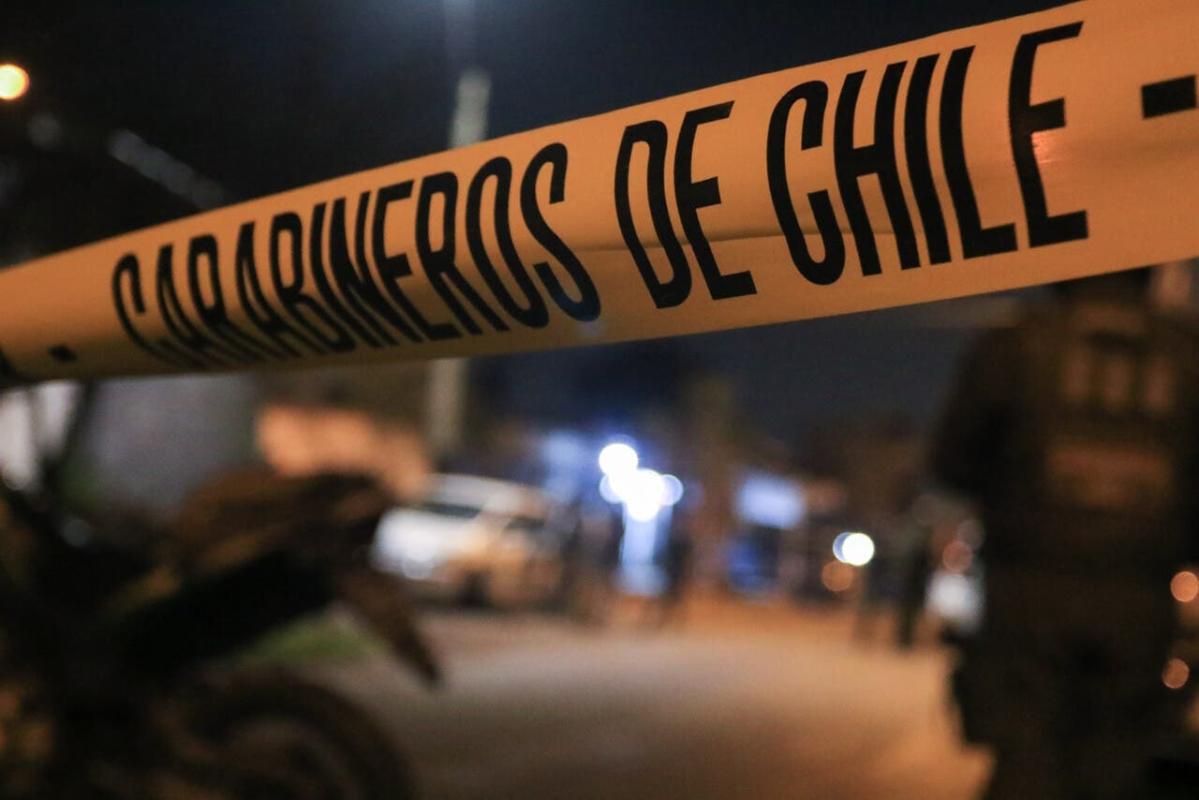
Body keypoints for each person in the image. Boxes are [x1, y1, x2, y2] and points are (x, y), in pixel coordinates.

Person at [931, 268, 1199, 799]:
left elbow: (952, 462)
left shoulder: (1016, 344)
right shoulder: (1187, 353)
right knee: (1115, 764)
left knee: (1026, 759)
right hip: (1140, 597)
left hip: (1026, 594)